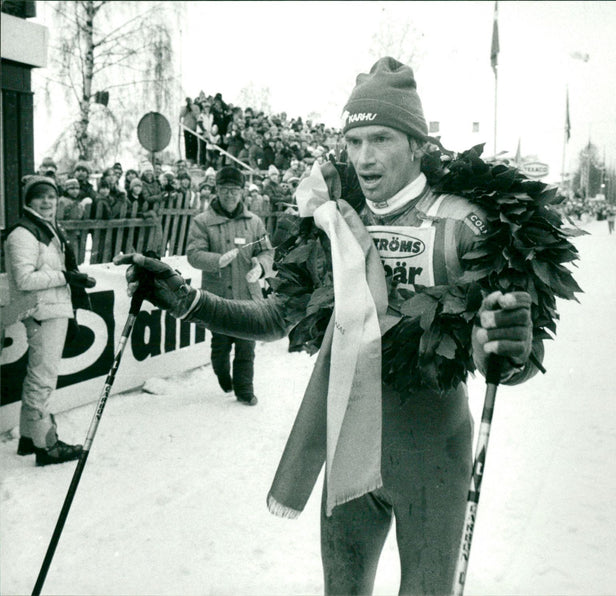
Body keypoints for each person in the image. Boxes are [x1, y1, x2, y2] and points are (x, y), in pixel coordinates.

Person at [116, 57, 538, 594]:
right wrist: (188, 302)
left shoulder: (462, 223)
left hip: (432, 454)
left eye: (381, 138)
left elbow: (506, 352)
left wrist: (506, 346)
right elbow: (280, 317)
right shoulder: (334, 220)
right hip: (349, 450)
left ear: (417, 144)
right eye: (354, 141)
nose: (364, 157)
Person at [4, 176, 96, 466]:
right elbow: (24, 279)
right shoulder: (24, 233)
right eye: (40, 196)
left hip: (50, 309)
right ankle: (46, 446)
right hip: (41, 310)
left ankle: (29, 439)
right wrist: (65, 277)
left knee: (39, 374)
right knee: (43, 377)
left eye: (51, 197)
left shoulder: (45, 228)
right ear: (28, 201)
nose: (47, 201)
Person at [184, 166, 274, 406]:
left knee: (247, 346)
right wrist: (215, 260)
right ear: (217, 190)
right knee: (221, 344)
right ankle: (223, 375)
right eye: (225, 190)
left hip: (248, 297)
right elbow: (193, 254)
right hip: (219, 296)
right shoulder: (202, 222)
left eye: (235, 190)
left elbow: (266, 250)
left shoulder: (254, 222)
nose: (230, 195)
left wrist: (261, 267)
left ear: (242, 192)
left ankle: (244, 390)